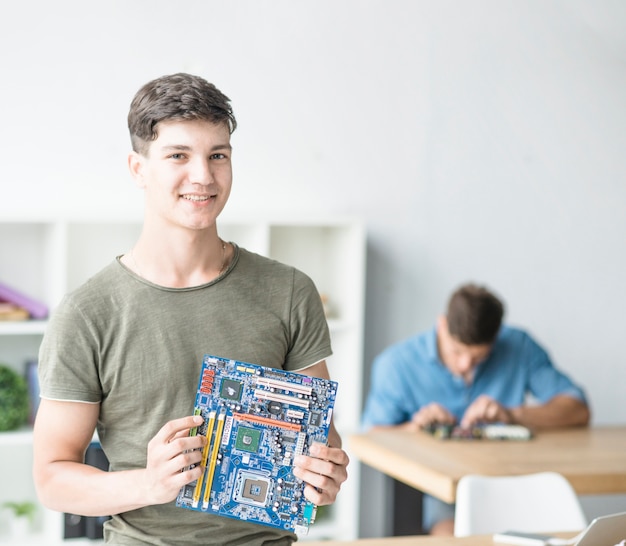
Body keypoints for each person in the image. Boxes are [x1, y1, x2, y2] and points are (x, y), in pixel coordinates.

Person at [33, 73, 349, 545]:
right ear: (138, 169)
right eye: (178, 155)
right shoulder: (87, 313)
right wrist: (149, 482)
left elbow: (322, 439)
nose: (203, 175)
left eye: (217, 155)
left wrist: (325, 473)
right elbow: (52, 479)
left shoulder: (289, 291)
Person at [361, 282, 590, 536]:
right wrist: (414, 428)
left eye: (479, 357)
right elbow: (371, 435)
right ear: (441, 324)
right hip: (442, 496)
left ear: (497, 336)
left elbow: (578, 409)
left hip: (515, 482)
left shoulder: (519, 346)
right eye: (456, 351)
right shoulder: (396, 364)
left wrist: (513, 415)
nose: (464, 365)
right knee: (452, 535)